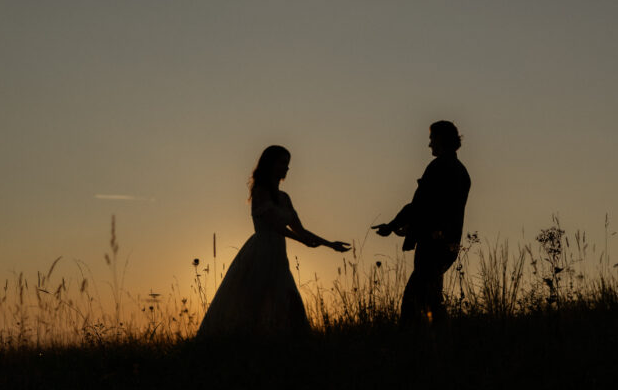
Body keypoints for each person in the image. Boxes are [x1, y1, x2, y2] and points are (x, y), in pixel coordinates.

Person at [197, 145, 349, 337]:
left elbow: (300, 230)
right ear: (270, 164)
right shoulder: (260, 192)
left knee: (289, 301)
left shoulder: (285, 198)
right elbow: (274, 226)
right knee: (254, 302)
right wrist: (301, 241)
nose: (287, 168)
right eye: (283, 163)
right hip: (260, 253)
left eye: (288, 164)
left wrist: (330, 244)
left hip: (278, 256)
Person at [373, 121, 471, 326]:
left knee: (412, 301)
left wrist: (391, 226)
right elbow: (439, 209)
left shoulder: (438, 167)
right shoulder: (462, 171)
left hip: (432, 244)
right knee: (432, 299)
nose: (429, 145)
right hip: (449, 243)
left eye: (432, 139)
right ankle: (440, 345)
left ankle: (413, 346)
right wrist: (411, 226)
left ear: (441, 140)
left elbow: (419, 205)